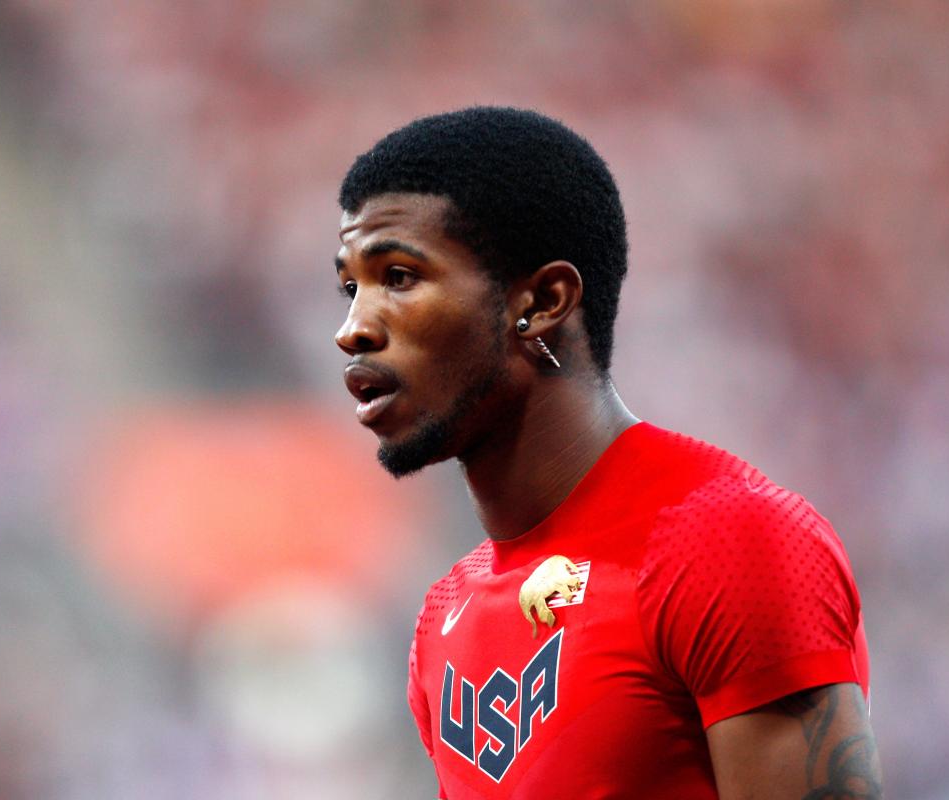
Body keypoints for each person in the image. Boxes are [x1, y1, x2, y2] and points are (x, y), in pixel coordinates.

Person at [331, 107, 881, 799]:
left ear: (542, 301)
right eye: (351, 287)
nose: (352, 329)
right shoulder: (445, 616)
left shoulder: (726, 538)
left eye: (400, 277)